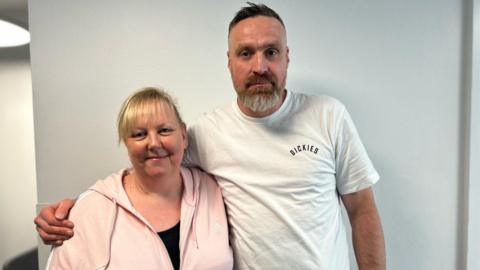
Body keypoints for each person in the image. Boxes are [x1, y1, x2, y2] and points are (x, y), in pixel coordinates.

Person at [35, 3, 385, 270]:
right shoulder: (205, 134)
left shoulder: (328, 115)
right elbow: (151, 168)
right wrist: (78, 207)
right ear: (229, 62)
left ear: (287, 58)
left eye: (271, 52)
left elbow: (363, 210)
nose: (259, 66)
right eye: (246, 53)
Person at [44, 87, 233, 269]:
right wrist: (80, 205)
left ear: (183, 135)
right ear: (126, 143)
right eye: (139, 134)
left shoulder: (214, 190)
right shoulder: (90, 211)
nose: (153, 143)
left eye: (164, 130)